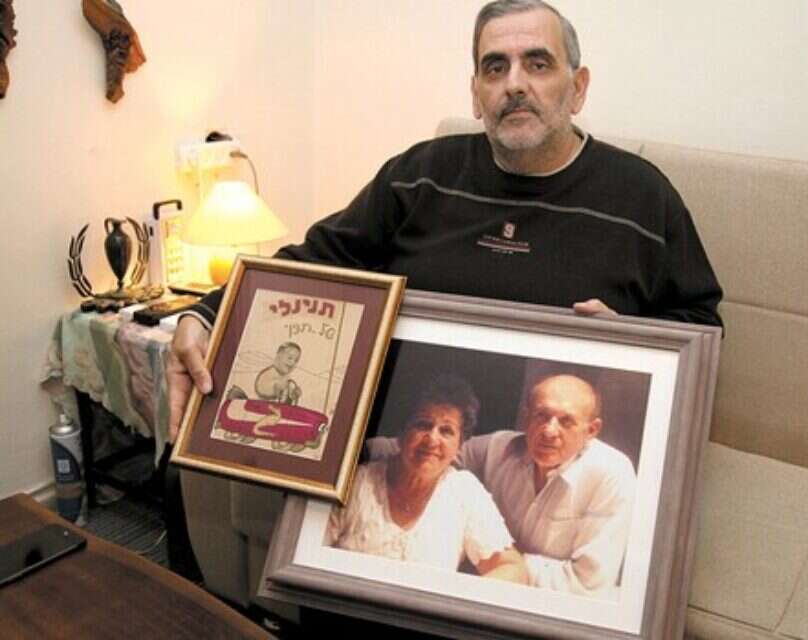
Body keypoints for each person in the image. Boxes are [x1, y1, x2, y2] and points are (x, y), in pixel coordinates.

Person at [167, 0, 722, 440]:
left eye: (538, 63)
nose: (515, 84)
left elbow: (701, 325)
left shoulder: (643, 197)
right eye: (495, 67)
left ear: (577, 88)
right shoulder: (419, 177)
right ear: (476, 94)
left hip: (546, 450)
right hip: (395, 433)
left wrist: (633, 345)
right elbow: (316, 261)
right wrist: (207, 314)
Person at [368, 373, 634, 597]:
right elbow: (432, 450)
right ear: (526, 418)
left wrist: (507, 562)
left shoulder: (612, 474)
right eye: (541, 416)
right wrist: (356, 446)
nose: (549, 431)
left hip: (556, 610)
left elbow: (586, 585)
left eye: (566, 421)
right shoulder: (499, 447)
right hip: (491, 587)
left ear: (591, 430)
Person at [325, 375, 527, 583]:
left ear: (459, 445)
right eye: (423, 425)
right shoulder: (356, 483)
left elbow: (514, 569)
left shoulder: (464, 492)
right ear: (402, 433)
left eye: (446, 431)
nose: (432, 439)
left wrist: (454, 595)